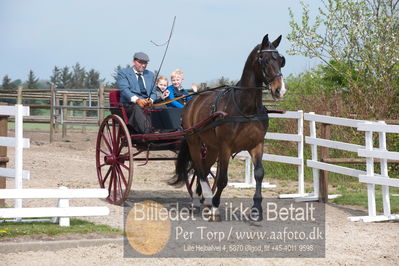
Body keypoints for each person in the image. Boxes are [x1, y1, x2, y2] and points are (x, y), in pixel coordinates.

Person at [117, 52, 157, 134]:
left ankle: (167, 131)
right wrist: (137, 100)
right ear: (133, 62)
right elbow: (125, 90)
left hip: (147, 104)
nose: (143, 65)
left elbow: (154, 92)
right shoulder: (123, 73)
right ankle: (147, 132)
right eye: (140, 62)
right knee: (137, 108)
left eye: (145, 63)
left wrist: (151, 100)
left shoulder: (150, 75)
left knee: (163, 106)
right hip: (130, 105)